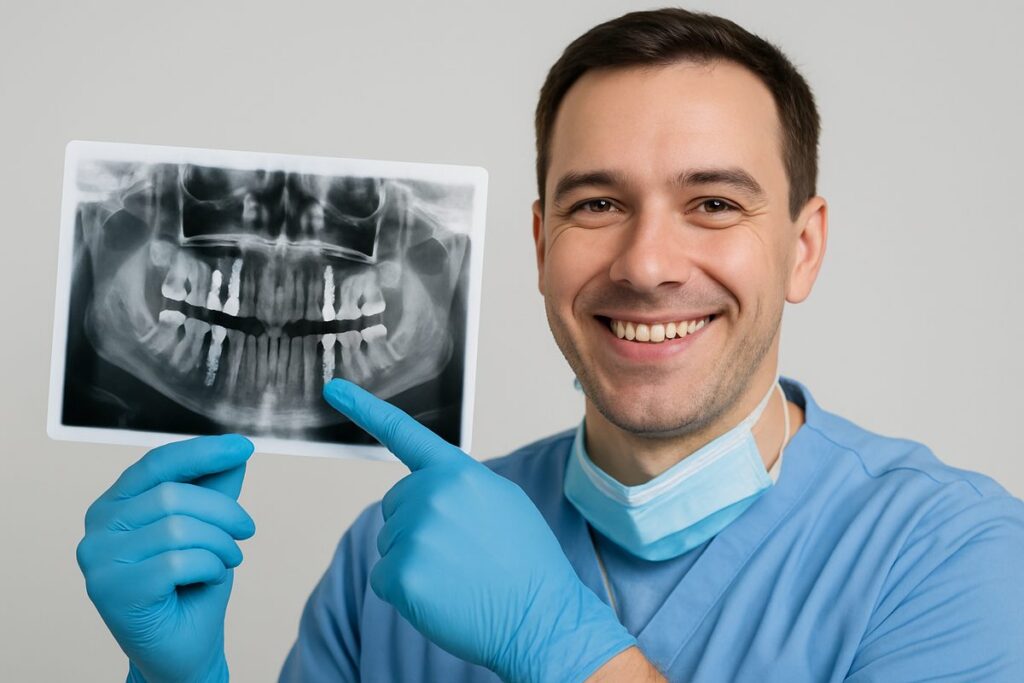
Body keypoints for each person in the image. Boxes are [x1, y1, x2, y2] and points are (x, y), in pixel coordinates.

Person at [75, 8, 1024, 682]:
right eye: (598, 203)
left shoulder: (954, 558)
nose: (647, 264)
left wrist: (562, 645)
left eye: (713, 203)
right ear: (540, 244)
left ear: (803, 247)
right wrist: (178, 679)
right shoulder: (389, 556)